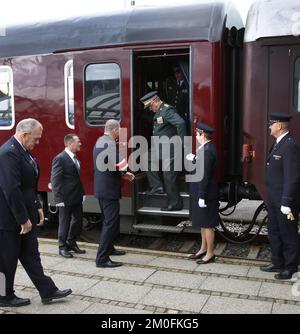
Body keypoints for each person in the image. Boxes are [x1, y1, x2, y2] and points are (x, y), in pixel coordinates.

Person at [0, 118, 72, 307]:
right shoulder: (8, 153)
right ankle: (3, 296)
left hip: (26, 213)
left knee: (31, 255)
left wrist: (37, 206)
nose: (38, 143)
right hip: (9, 219)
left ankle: (47, 291)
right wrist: (23, 219)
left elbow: (28, 186)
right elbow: (11, 189)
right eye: (36, 139)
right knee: (5, 260)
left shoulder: (24, 152)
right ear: (24, 135)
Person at [260, 112, 300, 280]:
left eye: (271, 124)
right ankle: (277, 261)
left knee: (288, 234)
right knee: (274, 231)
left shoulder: (290, 145)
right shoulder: (278, 143)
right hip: (274, 199)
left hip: (284, 200)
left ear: (279, 126)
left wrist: (286, 201)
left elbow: (293, 176)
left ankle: (290, 267)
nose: (269, 127)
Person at [93, 119, 134, 268]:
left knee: (108, 221)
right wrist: (127, 171)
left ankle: (110, 249)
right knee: (110, 223)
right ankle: (102, 258)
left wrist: (122, 174)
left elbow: (107, 165)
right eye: (119, 130)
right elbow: (121, 163)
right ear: (115, 130)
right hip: (108, 190)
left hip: (102, 188)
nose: (119, 133)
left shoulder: (99, 141)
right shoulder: (109, 143)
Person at [140, 91, 186, 211]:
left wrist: (182, 143)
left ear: (155, 101)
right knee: (146, 157)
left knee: (168, 175)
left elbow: (180, 123)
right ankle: (157, 186)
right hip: (160, 146)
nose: (150, 109)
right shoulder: (160, 111)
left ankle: (175, 203)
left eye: (150, 106)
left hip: (170, 146)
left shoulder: (166, 110)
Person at [187, 122, 220, 264]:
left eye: (197, 134)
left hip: (205, 193)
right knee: (202, 223)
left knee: (208, 224)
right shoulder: (204, 149)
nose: (196, 136)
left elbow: (205, 175)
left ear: (202, 135)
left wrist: (201, 196)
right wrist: (194, 159)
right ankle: (203, 249)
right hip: (201, 191)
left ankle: (210, 253)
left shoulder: (207, 151)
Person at [51, 134, 86, 258]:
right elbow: (55, 181)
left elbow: (76, 179)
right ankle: (62, 247)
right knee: (64, 222)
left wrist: (82, 193)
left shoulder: (74, 158)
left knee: (78, 220)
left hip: (76, 196)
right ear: (70, 144)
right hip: (65, 198)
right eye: (78, 141)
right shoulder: (60, 158)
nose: (80, 143)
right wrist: (58, 199)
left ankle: (71, 242)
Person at [166, 65, 189, 130]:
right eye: (175, 72)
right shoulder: (171, 83)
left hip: (183, 117)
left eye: (178, 72)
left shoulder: (187, 84)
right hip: (172, 116)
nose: (176, 74)